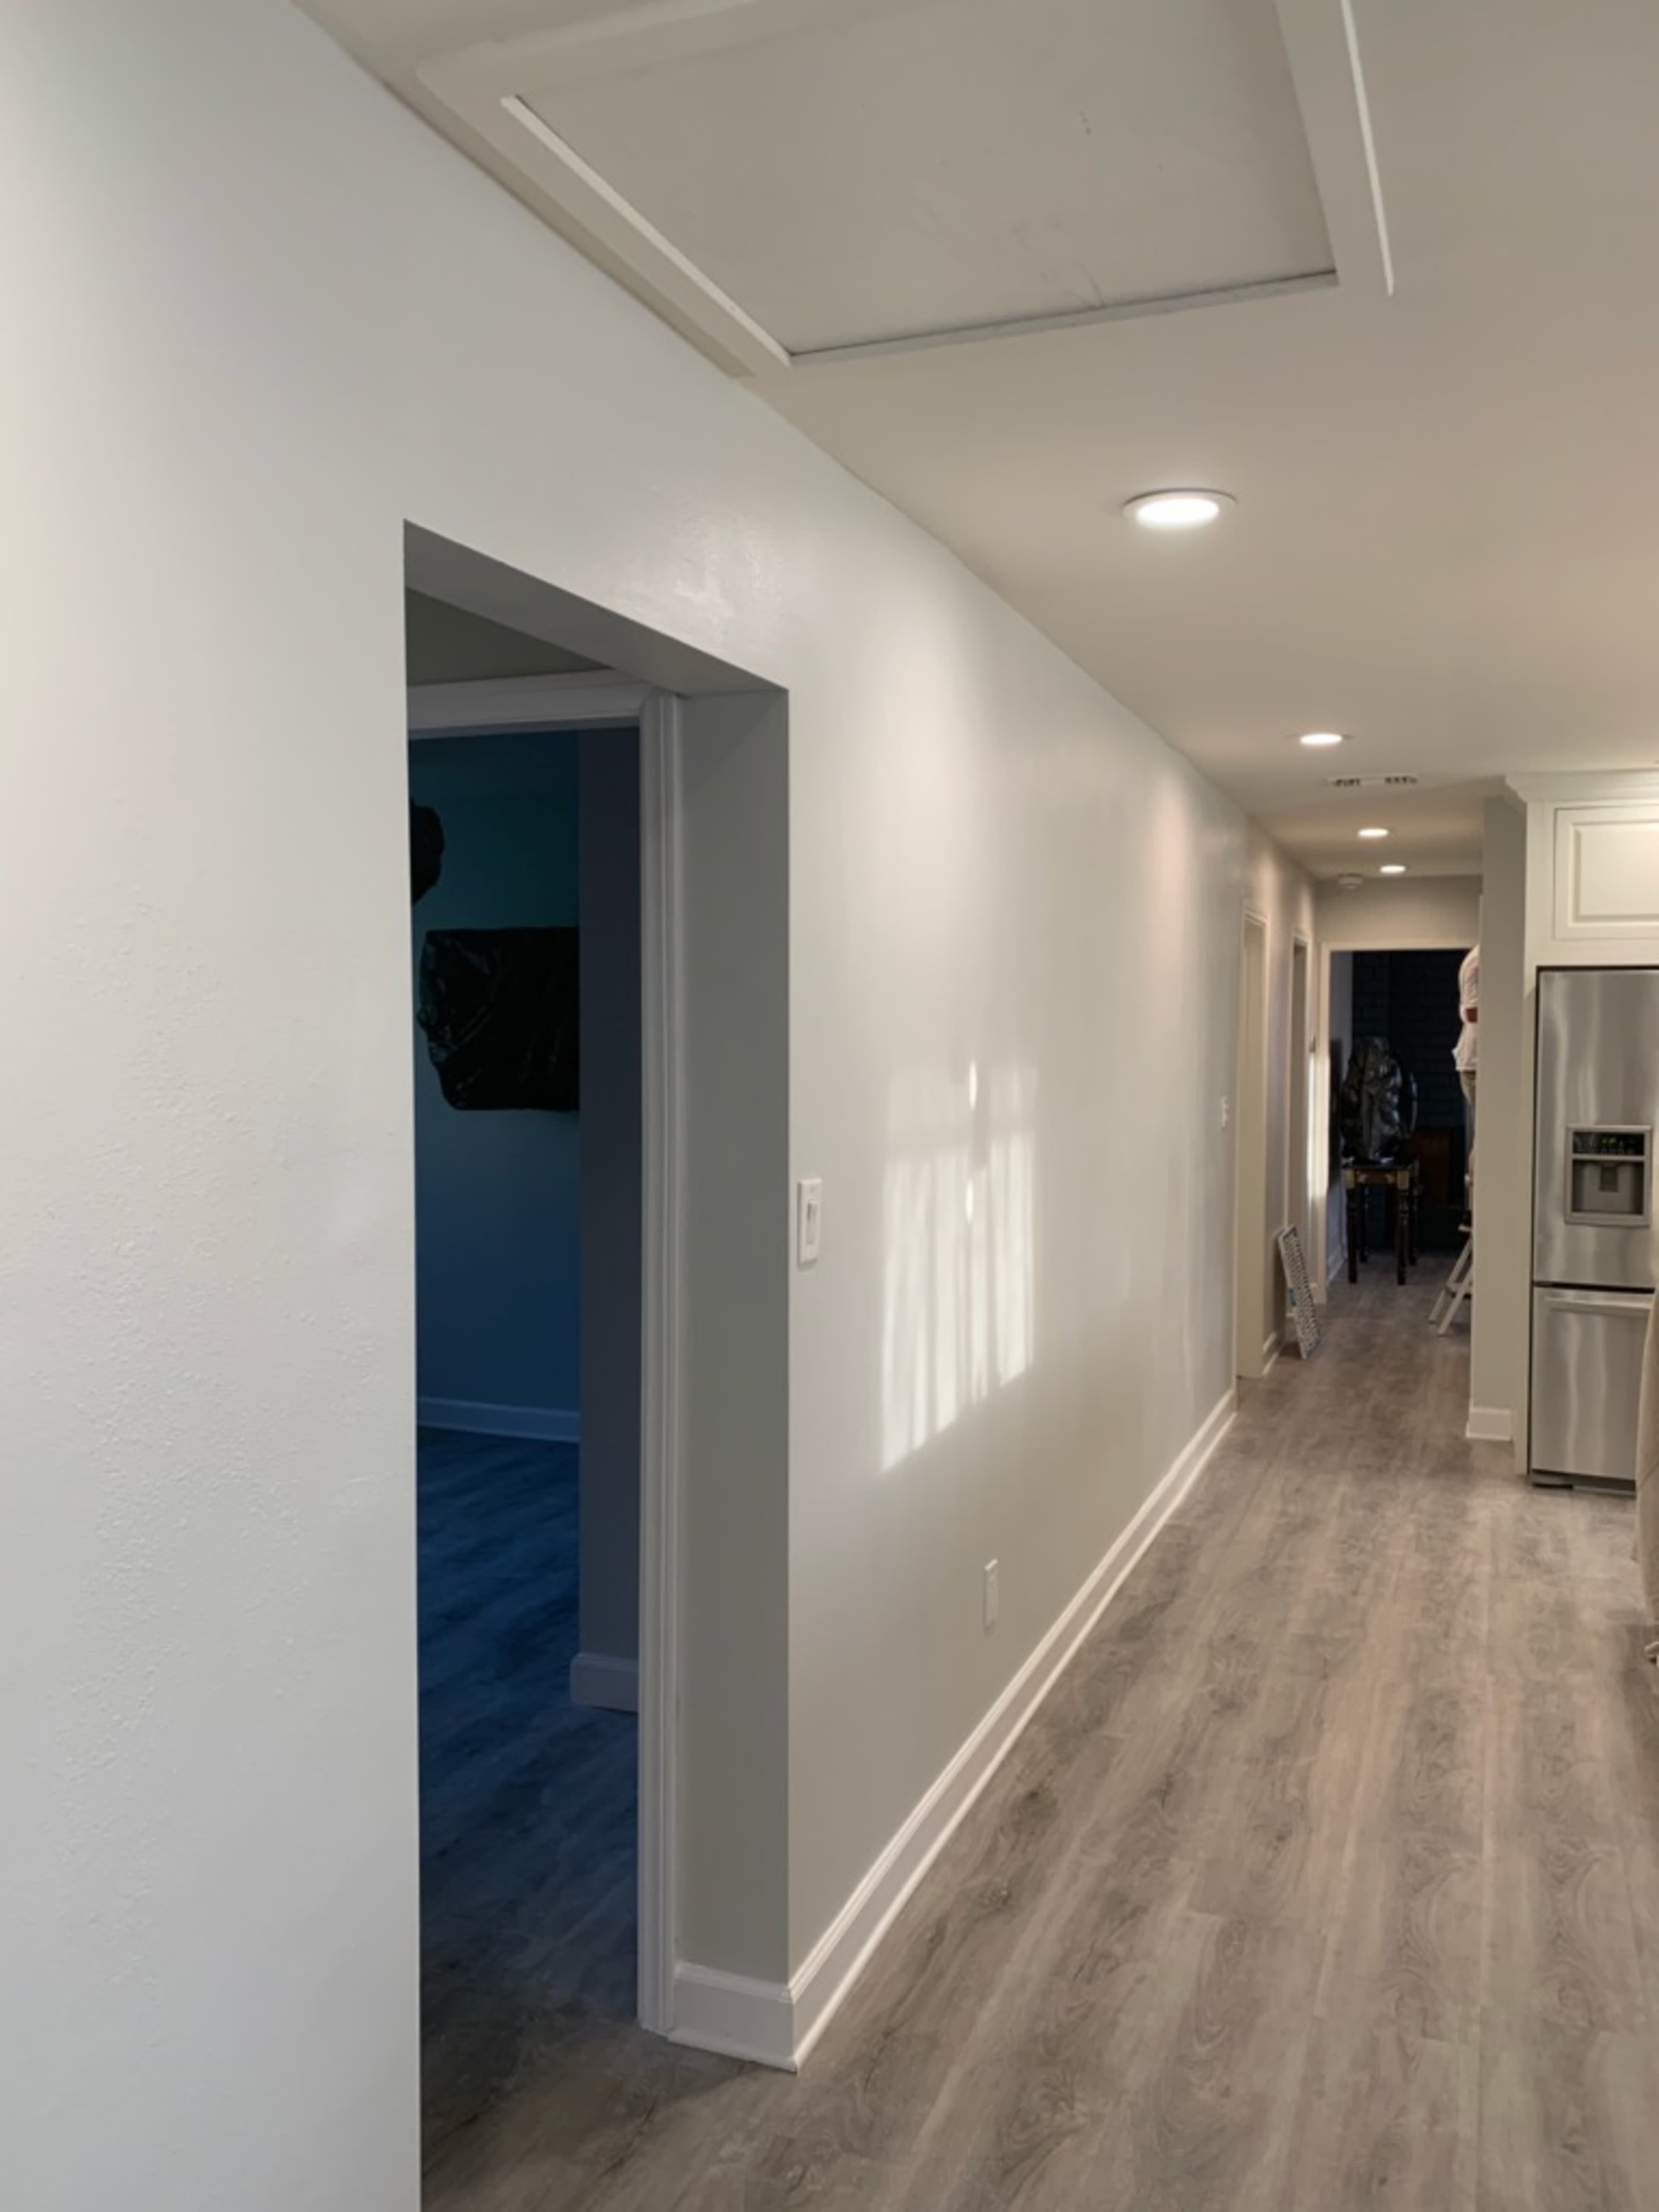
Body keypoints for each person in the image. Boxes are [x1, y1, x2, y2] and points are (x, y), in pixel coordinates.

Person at [1455, 944, 1479, 1215]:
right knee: (1486, 1138)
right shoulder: (1478, 961)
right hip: (1476, 1062)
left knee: (1485, 1138)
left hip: (1479, 1060)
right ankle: (1476, 1209)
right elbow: (1473, 1012)